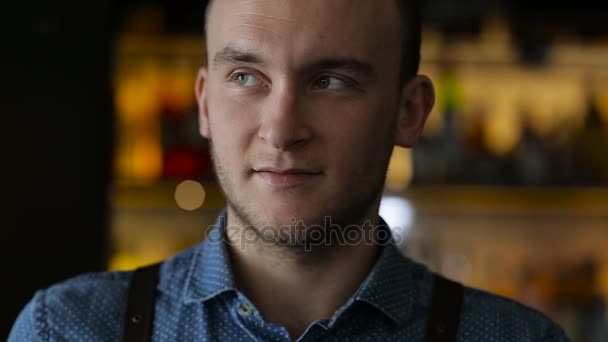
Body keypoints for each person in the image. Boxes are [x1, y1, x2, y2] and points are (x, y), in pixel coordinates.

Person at [10, 0, 569, 341]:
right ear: (204, 105)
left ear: (409, 112)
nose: (280, 129)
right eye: (247, 77)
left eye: (330, 81)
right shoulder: (67, 331)